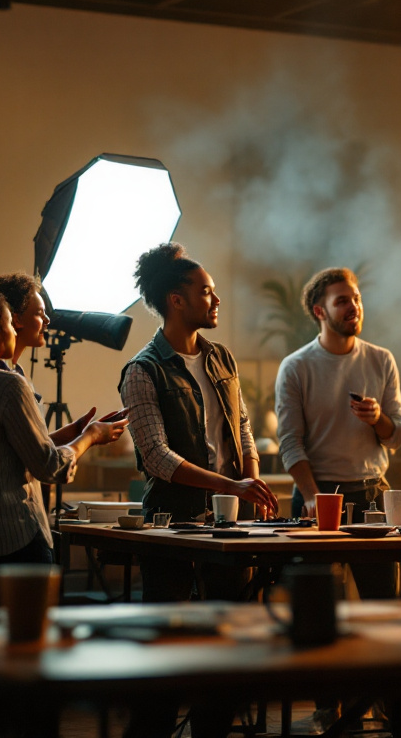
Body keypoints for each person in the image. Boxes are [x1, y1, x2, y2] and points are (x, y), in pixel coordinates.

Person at [0, 285, 128, 606]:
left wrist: (66, 435)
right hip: (11, 542)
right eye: (7, 322)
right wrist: (90, 437)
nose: (14, 330)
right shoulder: (8, 385)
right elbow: (51, 468)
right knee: (25, 634)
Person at [119, 243, 278, 602]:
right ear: (176, 300)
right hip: (172, 524)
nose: (216, 300)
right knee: (171, 623)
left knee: (235, 619)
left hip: (232, 520)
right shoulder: (142, 370)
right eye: (206, 292)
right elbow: (157, 457)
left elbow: (242, 428)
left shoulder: (221, 358)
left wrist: (251, 485)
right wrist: (232, 486)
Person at [276, 267, 401, 600]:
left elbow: (397, 437)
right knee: (315, 604)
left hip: (371, 497)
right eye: (342, 301)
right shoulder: (296, 366)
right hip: (316, 496)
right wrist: (311, 497)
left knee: (381, 604)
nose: (354, 307)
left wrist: (378, 419)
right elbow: (290, 441)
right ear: (320, 311)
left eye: (357, 299)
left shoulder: (381, 360)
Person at [0, 271, 51, 387]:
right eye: (39, 313)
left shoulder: (16, 372)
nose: (47, 320)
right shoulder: (1, 380)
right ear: (17, 319)